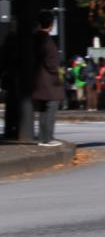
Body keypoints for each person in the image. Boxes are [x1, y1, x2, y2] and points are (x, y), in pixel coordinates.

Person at [31, 11, 65, 146]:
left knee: (43, 110)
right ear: (51, 24)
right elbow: (51, 63)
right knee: (51, 107)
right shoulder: (47, 40)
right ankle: (48, 138)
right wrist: (57, 71)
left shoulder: (34, 38)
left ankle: (42, 138)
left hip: (37, 80)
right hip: (49, 81)